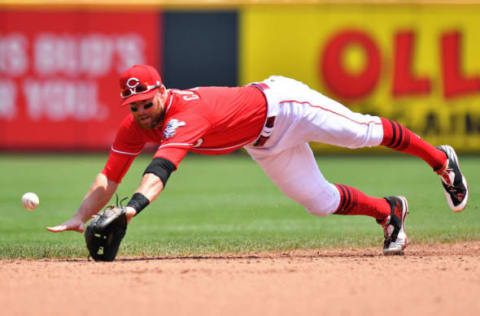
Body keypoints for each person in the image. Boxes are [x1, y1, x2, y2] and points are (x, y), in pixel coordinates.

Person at [47, 64, 469, 255]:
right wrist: (80, 215)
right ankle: (389, 211)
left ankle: (440, 160)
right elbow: (110, 175)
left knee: (361, 132)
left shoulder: (185, 113)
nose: (140, 112)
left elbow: (161, 170)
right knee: (318, 202)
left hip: (286, 106)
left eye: (145, 102)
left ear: (161, 91)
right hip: (263, 142)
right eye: (132, 106)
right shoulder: (133, 128)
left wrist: (132, 210)